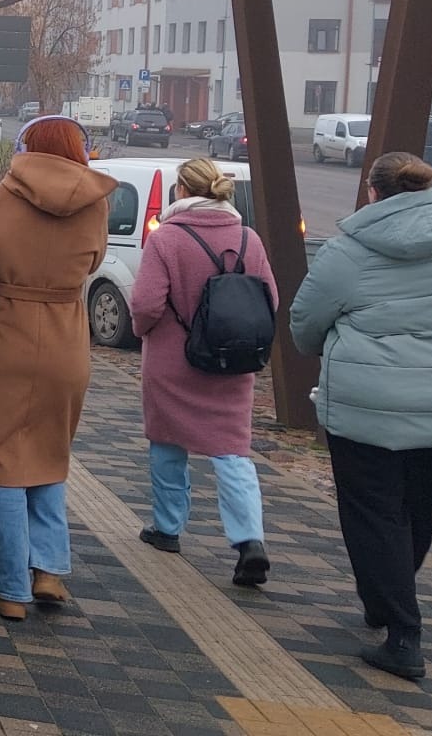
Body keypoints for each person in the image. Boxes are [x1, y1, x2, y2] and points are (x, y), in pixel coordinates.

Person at [289, 152, 432, 681]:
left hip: (368, 408)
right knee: (418, 511)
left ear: (373, 192)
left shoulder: (348, 253)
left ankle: (403, 632)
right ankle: (387, 601)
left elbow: (306, 324)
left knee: (374, 515)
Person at [0, 116, 115, 621]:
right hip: (67, 341)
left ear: (25, 146)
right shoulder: (96, 202)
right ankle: (48, 572)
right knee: (51, 454)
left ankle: (10, 590)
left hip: (6, 334)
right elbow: (94, 263)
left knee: (2, 461)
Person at [128, 158, 276, 587]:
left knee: (167, 442)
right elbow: (271, 300)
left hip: (173, 362)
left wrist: (145, 333)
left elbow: (146, 304)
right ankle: (249, 541)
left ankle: (167, 528)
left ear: (181, 190)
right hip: (233, 365)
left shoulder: (168, 239)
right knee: (233, 451)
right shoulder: (250, 238)